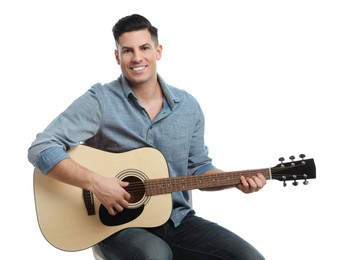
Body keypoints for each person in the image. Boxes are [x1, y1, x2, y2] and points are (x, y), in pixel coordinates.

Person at [28, 14, 266, 260]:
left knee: (250, 258)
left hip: (177, 220)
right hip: (113, 227)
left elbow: (198, 169)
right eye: (128, 51)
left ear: (158, 51)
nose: (137, 58)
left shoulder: (188, 106)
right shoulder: (100, 100)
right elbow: (42, 147)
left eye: (144, 48)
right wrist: (96, 183)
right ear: (117, 57)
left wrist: (236, 180)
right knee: (156, 255)